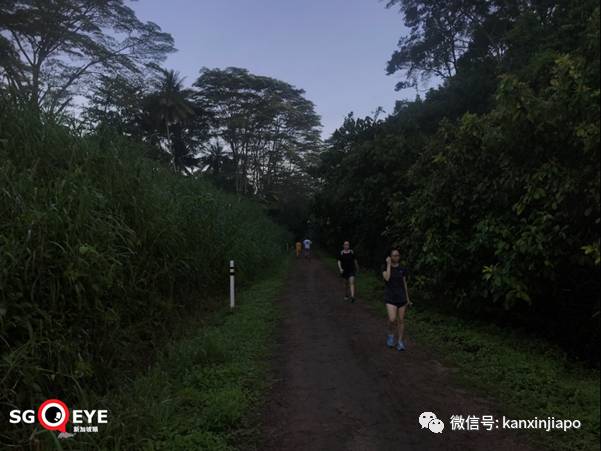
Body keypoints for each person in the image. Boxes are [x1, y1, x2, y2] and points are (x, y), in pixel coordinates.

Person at [382, 248, 412, 351]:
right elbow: (387, 278)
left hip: (401, 297)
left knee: (401, 320)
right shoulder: (384, 267)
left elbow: (404, 284)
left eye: (398, 255)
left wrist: (407, 298)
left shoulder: (402, 269)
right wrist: (388, 264)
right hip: (390, 297)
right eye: (394, 255)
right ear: (390, 257)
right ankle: (390, 334)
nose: (396, 257)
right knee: (392, 319)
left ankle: (400, 342)